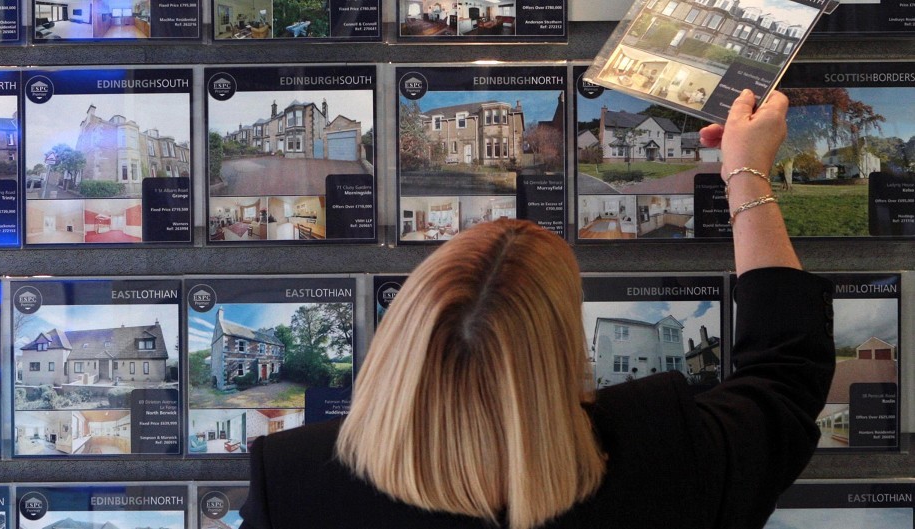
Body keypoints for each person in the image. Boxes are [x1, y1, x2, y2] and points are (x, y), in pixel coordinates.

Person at [238, 89, 835, 529]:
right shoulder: (664, 454)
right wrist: (744, 171)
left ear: (401, 340)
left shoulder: (293, 483)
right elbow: (785, 373)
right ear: (563, 347)